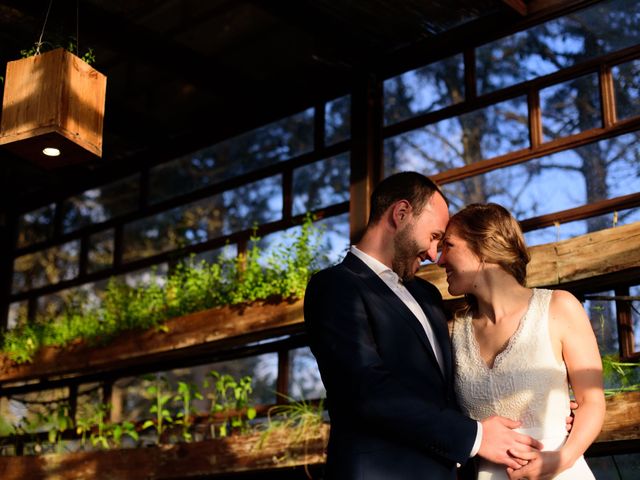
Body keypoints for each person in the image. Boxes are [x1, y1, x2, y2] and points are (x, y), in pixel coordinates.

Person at [304, 172, 542, 480]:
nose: (434, 255)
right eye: (433, 237)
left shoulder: (427, 295)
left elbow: (450, 388)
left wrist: (548, 406)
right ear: (400, 214)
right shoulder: (335, 285)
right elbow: (366, 390)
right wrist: (476, 437)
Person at [437, 203, 605, 480]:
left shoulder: (559, 307)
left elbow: (592, 401)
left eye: (449, 246)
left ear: (484, 246)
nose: (440, 259)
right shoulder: (452, 331)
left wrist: (562, 458)